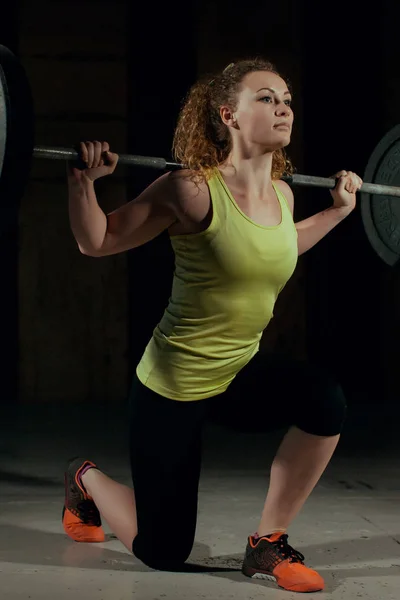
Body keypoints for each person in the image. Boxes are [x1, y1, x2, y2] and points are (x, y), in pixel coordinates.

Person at [63, 58, 362, 593]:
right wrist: (84, 182)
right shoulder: (189, 191)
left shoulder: (283, 194)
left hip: (235, 375)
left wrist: (338, 213)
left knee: (325, 400)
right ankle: (84, 477)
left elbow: (278, 248)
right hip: (172, 390)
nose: (283, 107)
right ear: (229, 115)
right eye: (266, 98)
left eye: (287, 98)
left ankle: (267, 544)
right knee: (164, 552)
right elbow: (98, 241)